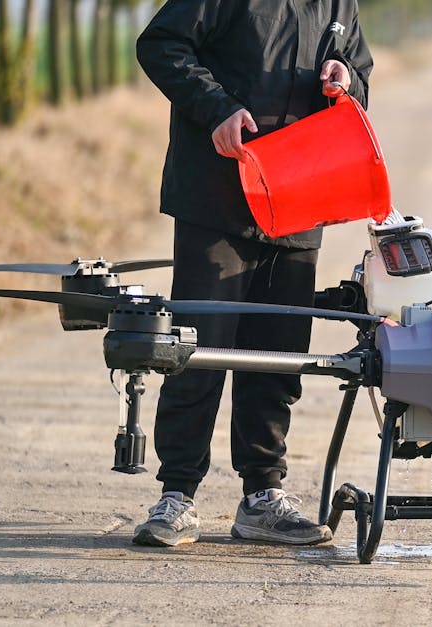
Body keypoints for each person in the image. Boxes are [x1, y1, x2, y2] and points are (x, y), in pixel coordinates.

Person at [131, 0, 373, 547]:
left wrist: (347, 80)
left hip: (299, 195)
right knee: (198, 348)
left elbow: (359, 67)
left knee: (277, 354)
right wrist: (215, 107)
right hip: (217, 198)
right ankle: (177, 496)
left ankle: (263, 497)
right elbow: (160, 44)